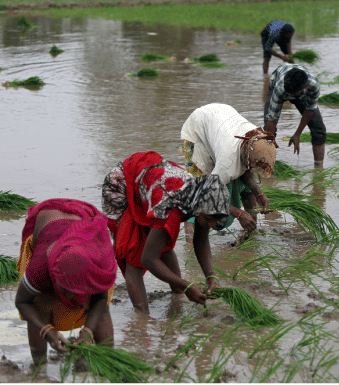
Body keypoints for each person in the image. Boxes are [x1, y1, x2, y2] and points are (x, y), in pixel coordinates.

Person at [101, 151, 230, 314]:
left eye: (215, 219)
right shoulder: (170, 209)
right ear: (199, 208)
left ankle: (176, 298)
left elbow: (201, 241)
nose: (211, 224)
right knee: (133, 256)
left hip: (150, 180)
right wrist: (186, 285)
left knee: (161, 243)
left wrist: (211, 276)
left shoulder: (202, 198)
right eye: (209, 218)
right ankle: (142, 318)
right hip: (123, 185)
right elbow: (148, 259)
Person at [15, 199, 118, 365]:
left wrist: (88, 331)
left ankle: (107, 362)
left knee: (101, 311)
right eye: (65, 290)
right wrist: (46, 330)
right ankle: (39, 368)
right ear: (55, 275)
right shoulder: (40, 268)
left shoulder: (97, 266)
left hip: (84, 222)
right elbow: (22, 301)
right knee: (38, 304)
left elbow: (100, 299)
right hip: (49, 221)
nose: (70, 298)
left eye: (76, 292)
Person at [181, 103, 277, 235]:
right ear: (245, 159)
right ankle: (189, 242)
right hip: (198, 129)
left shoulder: (257, 138)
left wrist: (259, 193)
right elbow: (209, 195)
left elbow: (246, 171)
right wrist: (239, 213)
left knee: (247, 187)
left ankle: (251, 232)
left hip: (220, 119)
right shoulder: (227, 163)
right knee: (199, 189)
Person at [264, 64, 327, 168]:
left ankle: (319, 168)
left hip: (301, 94)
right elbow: (272, 118)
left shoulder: (313, 86)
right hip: (276, 86)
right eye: (288, 93)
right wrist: (269, 143)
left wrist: (297, 134)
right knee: (268, 131)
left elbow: (310, 109)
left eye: (292, 94)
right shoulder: (280, 87)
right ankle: (267, 165)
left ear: (305, 87)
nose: (289, 97)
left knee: (319, 129)